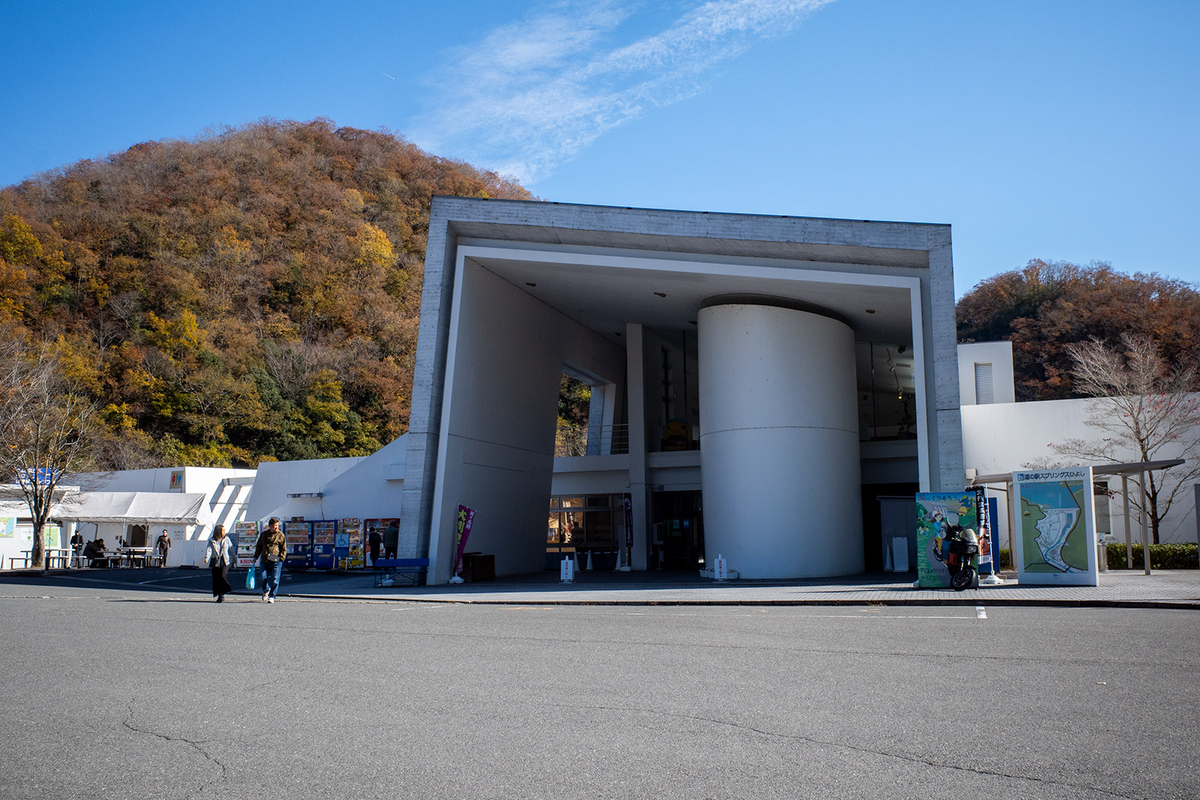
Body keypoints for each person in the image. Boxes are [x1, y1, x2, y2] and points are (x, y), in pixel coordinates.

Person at [254, 517, 286, 604]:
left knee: (275, 579)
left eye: (277, 526)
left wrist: (282, 558)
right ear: (270, 526)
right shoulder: (264, 535)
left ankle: (272, 596)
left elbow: (283, 548)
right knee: (262, 577)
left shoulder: (280, 535)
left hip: (276, 561)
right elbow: (259, 546)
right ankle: (266, 590)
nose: (276, 527)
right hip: (265, 560)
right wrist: (256, 556)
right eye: (274, 526)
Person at [205, 525, 234, 602]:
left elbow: (231, 549)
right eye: (223, 531)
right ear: (218, 532)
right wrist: (207, 558)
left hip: (225, 560)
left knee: (222, 576)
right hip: (215, 560)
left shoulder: (227, 539)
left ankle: (226, 589)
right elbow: (209, 549)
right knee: (217, 579)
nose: (224, 532)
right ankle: (221, 595)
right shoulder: (212, 540)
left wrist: (234, 559)